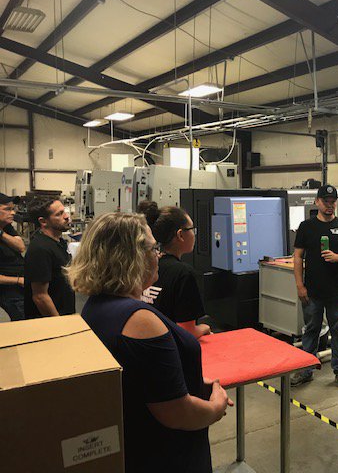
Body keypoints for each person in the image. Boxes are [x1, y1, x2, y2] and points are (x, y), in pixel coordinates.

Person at [66, 212, 232, 473]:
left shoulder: (96, 306)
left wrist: (188, 380)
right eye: (154, 248)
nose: (158, 255)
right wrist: (215, 407)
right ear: (133, 257)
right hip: (167, 454)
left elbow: (140, 378)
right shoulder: (140, 321)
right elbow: (177, 413)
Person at [291, 184, 338, 391]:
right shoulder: (306, 227)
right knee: (311, 330)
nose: (329, 205)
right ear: (317, 202)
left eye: (332, 202)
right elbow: (297, 257)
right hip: (312, 291)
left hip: (337, 292)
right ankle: (306, 369)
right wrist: (299, 285)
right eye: (325, 202)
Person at [139, 203, 211, 338]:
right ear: (180, 235)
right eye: (192, 229)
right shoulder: (183, 273)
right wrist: (204, 328)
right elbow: (187, 332)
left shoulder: (147, 266)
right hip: (171, 345)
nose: (194, 234)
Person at [24, 198, 75, 318]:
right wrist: (58, 323)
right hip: (49, 320)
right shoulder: (40, 249)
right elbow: (40, 296)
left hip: (65, 313)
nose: (66, 216)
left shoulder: (59, 242)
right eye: (59, 214)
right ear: (43, 221)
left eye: (64, 211)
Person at [0, 193, 25, 321]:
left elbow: (20, 247)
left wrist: (1, 233)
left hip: (19, 285)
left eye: (13, 208)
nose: (13, 212)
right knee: (24, 322)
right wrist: (18, 280)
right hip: (8, 290)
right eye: (7, 209)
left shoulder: (6, 227)